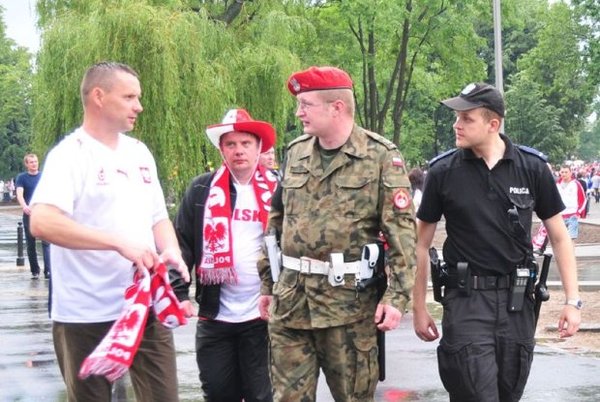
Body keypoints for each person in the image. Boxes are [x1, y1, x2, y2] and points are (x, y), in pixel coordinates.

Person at [29, 61, 190, 402]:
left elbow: (158, 217)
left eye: (138, 97)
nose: (139, 106)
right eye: (130, 96)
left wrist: (171, 249)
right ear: (99, 97)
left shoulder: (139, 152)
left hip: (144, 305)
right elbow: (42, 222)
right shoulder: (70, 155)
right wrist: (117, 243)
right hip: (85, 312)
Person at [413, 83, 581, 402]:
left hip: (518, 302)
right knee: (475, 394)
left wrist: (572, 302)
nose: (456, 125)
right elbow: (421, 244)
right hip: (466, 300)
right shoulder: (442, 172)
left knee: (508, 392)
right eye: (456, 117)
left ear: (493, 124)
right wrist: (419, 307)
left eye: (466, 118)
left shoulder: (531, 168)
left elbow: (559, 237)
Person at [257, 66, 416, 401]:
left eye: (306, 104)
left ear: (337, 107)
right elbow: (276, 221)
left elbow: (402, 234)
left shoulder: (381, 156)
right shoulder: (296, 151)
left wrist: (396, 298)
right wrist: (268, 285)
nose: (299, 112)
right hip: (291, 304)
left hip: (348, 307)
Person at [171, 108, 277, 402]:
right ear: (221, 149)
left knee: (262, 396)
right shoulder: (201, 190)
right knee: (218, 393)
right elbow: (182, 244)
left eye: (245, 144)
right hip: (216, 315)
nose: (239, 151)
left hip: (263, 315)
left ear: (258, 149)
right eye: (231, 144)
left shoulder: (279, 191)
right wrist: (179, 293)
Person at [16, 154, 51, 279]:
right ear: (26, 164)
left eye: (35, 161)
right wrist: (24, 206)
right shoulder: (21, 178)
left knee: (46, 242)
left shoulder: (44, 177)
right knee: (31, 243)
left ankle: (48, 270)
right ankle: (35, 270)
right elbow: (20, 194)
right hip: (29, 213)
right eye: (31, 162)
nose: (34, 164)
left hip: (43, 212)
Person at [557, 165, 587, 239]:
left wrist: (578, 212)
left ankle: (571, 251)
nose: (564, 174)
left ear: (570, 173)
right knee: (561, 240)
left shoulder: (576, 184)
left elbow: (583, 199)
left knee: (571, 239)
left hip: (572, 215)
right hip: (559, 216)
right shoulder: (556, 185)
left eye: (566, 172)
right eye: (562, 172)